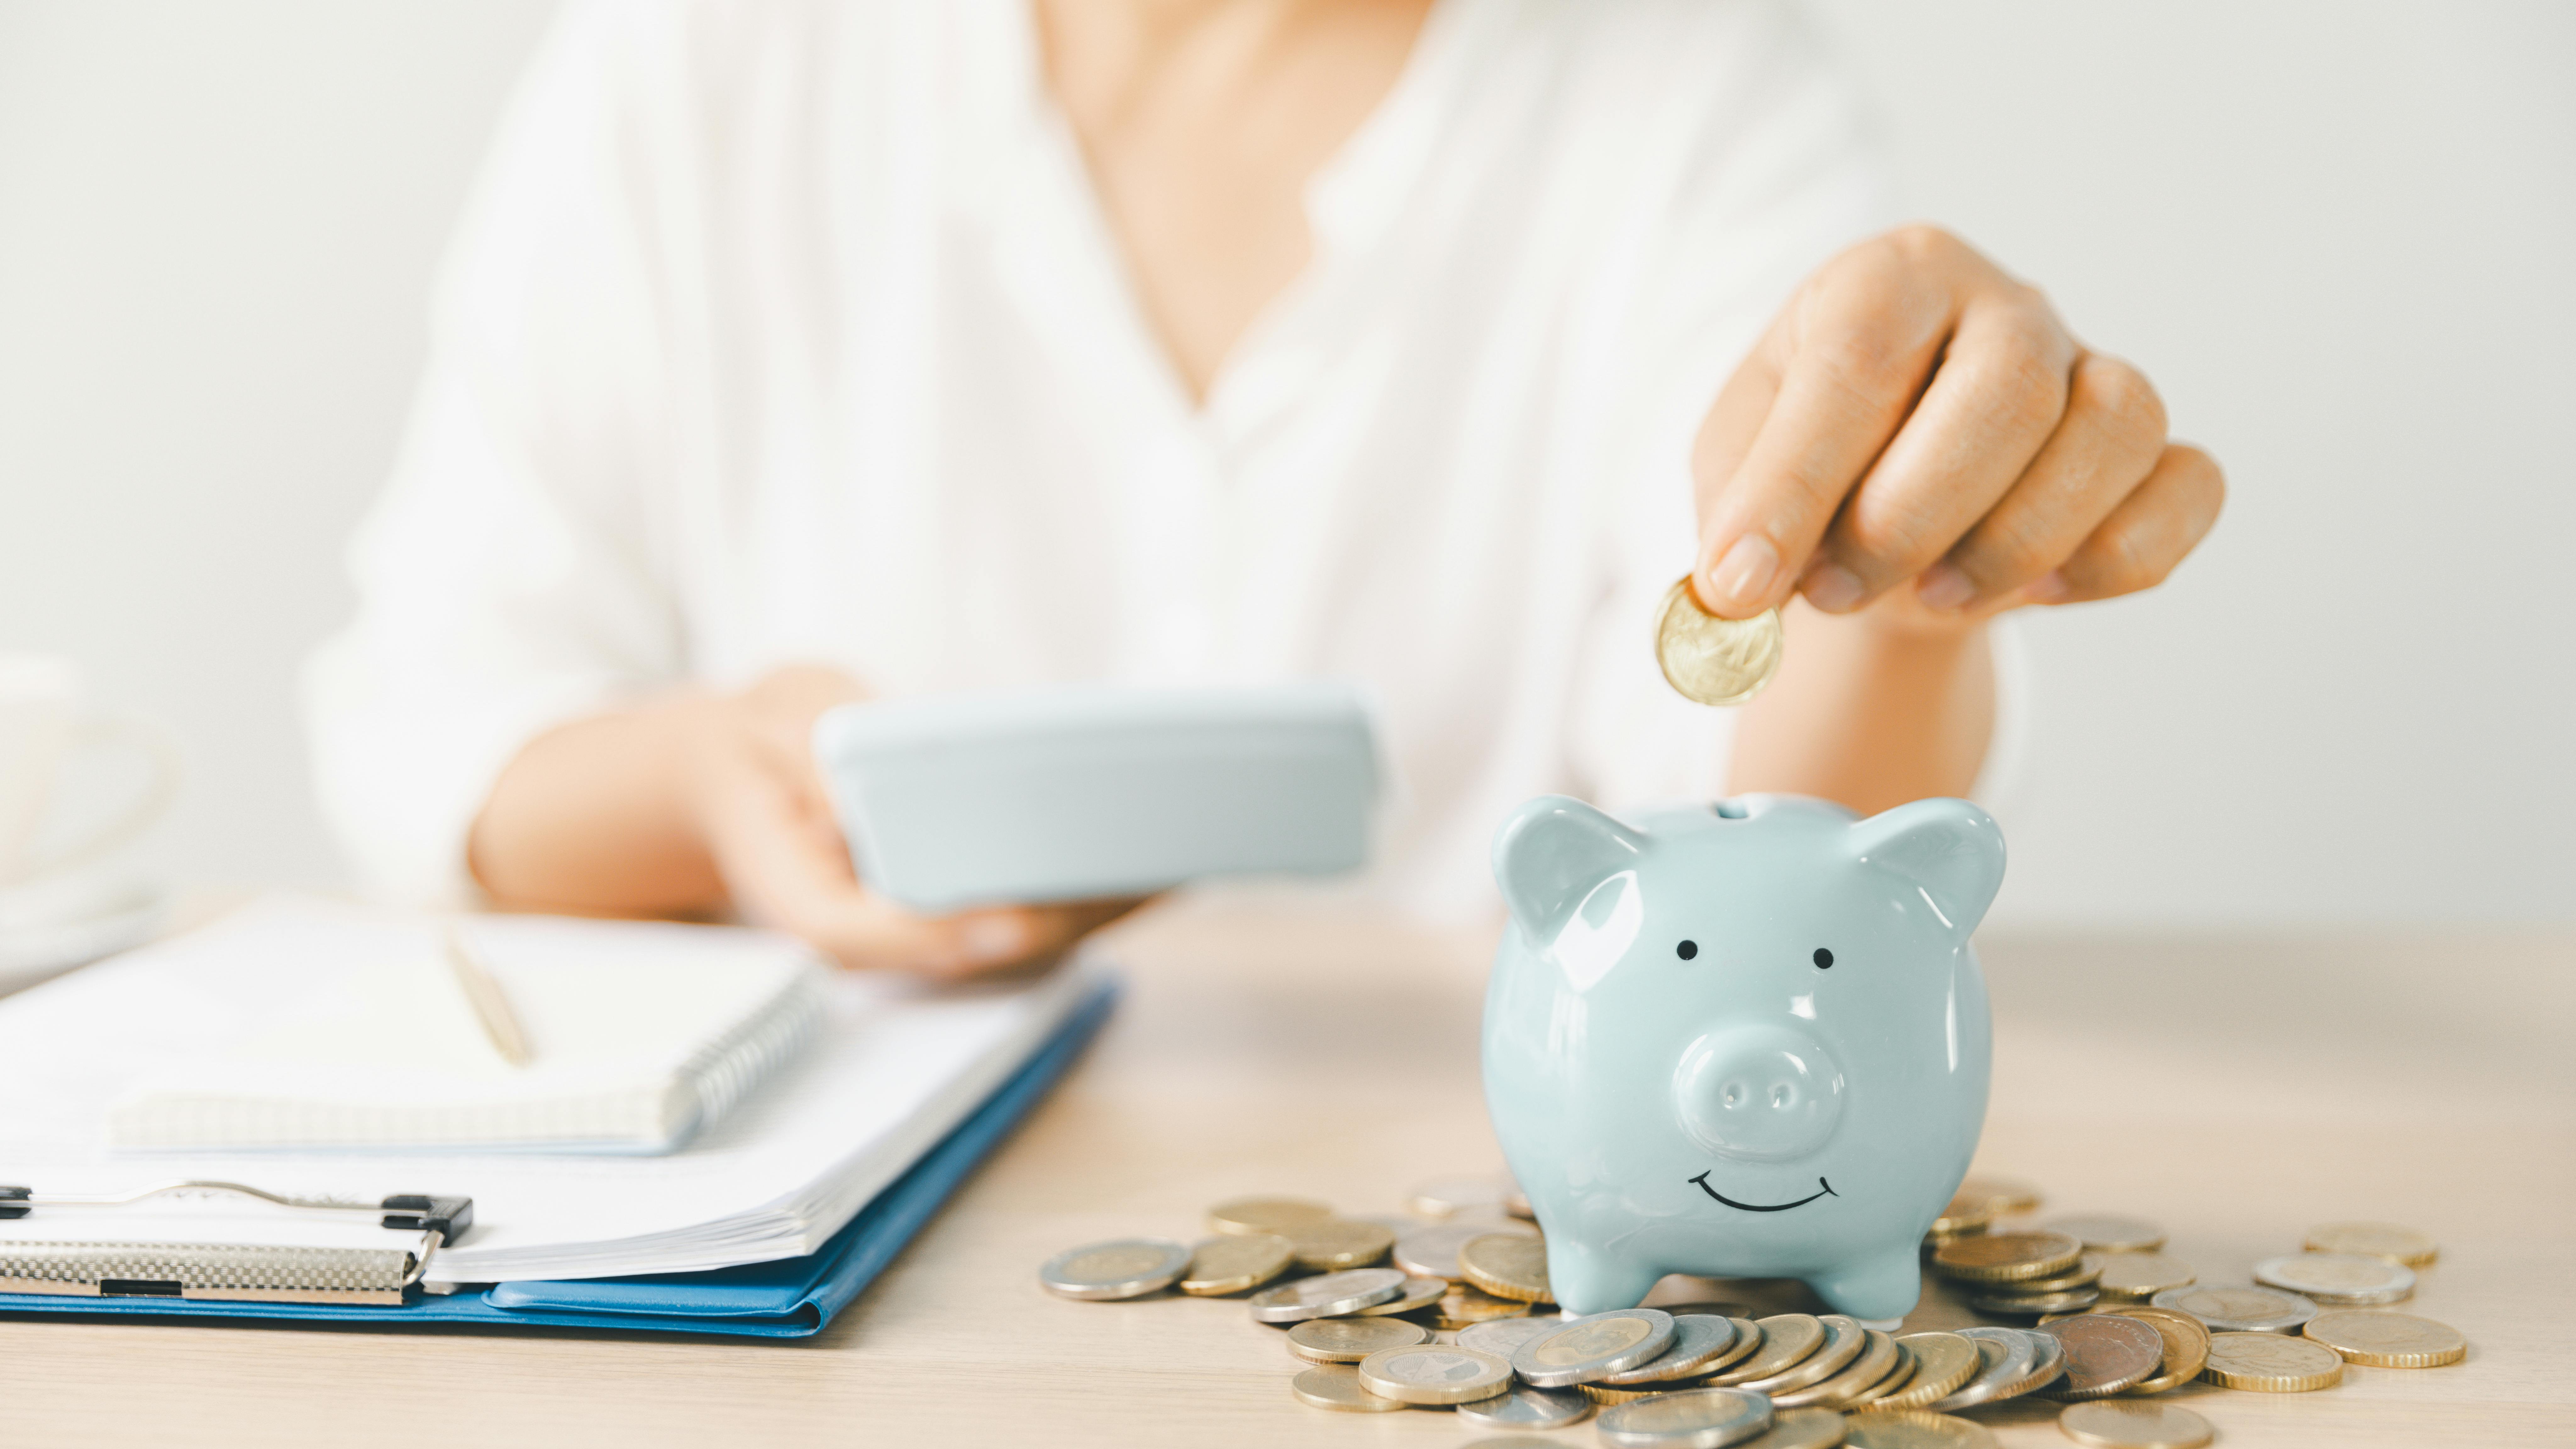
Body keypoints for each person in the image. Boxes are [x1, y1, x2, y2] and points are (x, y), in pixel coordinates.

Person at [307, 0, 2222, 979]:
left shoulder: (1684, 92)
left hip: (1452, 1235)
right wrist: (716, 787)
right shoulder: (708, 61)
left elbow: (1761, 823)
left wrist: (1879, 563)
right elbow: (435, 723)